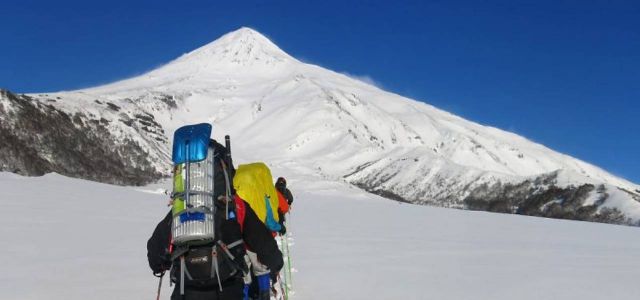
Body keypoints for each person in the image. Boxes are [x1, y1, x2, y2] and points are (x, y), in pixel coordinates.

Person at [147, 140, 283, 300]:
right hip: (228, 290)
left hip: (185, 291)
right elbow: (264, 243)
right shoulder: (235, 206)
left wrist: (161, 265)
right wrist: (276, 263)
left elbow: (155, 254)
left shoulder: (181, 210)